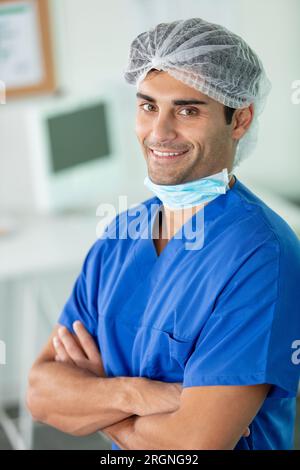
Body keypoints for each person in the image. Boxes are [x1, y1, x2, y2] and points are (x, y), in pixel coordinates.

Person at [27, 17, 300, 450]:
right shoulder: (121, 234)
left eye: (187, 110)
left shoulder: (262, 255)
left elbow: (191, 448)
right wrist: (137, 395)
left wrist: (95, 400)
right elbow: (41, 393)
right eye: (148, 106)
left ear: (240, 119)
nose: (159, 132)